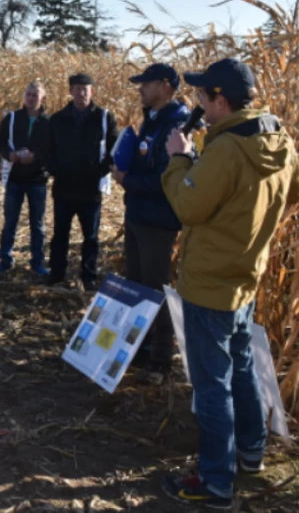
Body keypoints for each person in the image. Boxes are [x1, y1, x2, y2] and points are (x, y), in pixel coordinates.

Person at [160, 58, 299, 508]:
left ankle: (216, 482)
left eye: (203, 96)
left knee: (212, 385)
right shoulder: (277, 139)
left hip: (209, 283)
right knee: (240, 367)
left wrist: (178, 160)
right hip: (246, 277)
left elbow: (188, 207)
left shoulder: (225, 150)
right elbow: (293, 191)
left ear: (220, 100)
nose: (199, 103)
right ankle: (251, 454)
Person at [112, 63, 190, 383]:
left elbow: (165, 179)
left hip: (158, 220)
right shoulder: (151, 120)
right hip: (138, 214)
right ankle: (139, 347)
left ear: (165, 86)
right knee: (137, 284)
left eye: (146, 83)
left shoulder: (179, 125)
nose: (140, 88)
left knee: (157, 288)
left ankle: (160, 358)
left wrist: (128, 179)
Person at [46, 73, 117, 292]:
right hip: (64, 187)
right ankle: (57, 274)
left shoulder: (104, 118)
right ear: (70, 91)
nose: (81, 92)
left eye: (85, 88)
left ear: (92, 91)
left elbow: (114, 150)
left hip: (89, 189)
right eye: (76, 88)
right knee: (60, 234)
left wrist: (98, 172)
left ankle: (88, 276)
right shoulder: (58, 119)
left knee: (91, 237)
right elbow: (48, 150)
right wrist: (56, 170)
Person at [0, 80, 52, 277]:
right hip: (15, 178)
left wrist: (36, 157)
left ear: (42, 98)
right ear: (24, 97)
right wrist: (10, 155)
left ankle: (37, 262)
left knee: (38, 224)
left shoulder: (48, 123)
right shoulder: (12, 118)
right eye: (29, 94)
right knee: (10, 222)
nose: (31, 98)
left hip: (37, 180)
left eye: (35, 95)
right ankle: (5, 260)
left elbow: (53, 149)